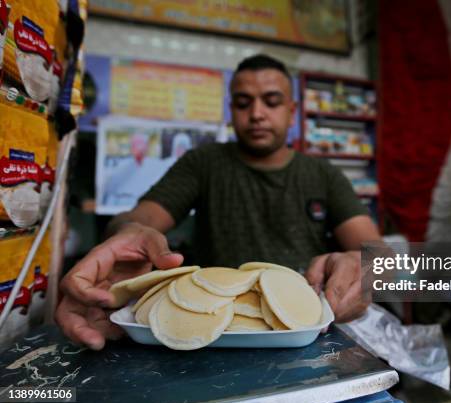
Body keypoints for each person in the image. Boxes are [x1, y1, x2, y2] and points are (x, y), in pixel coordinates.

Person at [56, 54, 381, 350]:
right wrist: (126, 233)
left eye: (271, 101)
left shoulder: (323, 174)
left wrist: (362, 271)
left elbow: (383, 258)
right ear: (231, 110)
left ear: (292, 111)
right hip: (212, 332)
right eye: (243, 103)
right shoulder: (204, 163)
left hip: (305, 333)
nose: (256, 114)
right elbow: (140, 219)